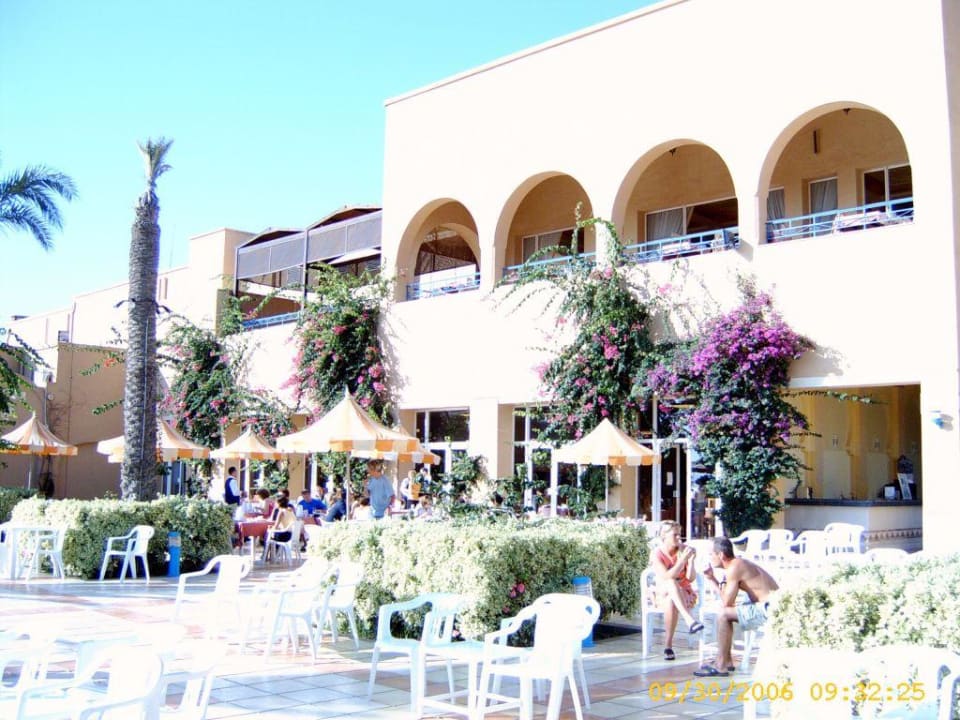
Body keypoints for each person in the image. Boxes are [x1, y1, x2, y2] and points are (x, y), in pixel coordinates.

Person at [694, 536, 780, 678]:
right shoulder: (738, 563)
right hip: (770, 605)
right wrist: (714, 579)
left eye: (710, 554)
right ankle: (726, 661)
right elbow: (729, 601)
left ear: (720, 555)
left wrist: (711, 579)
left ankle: (721, 665)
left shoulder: (734, 567)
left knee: (723, 614)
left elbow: (727, 602)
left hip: (770, 609)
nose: (709, 558)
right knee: (725, 614)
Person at [650, 520, 703, 661]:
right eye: (675, 535)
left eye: (680, 535)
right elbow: (667, 576)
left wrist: (691, 561)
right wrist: (682, 560)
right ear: (664, 536)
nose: (679, 538)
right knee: (671, 583)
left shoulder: (683, 550)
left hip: (683, 593)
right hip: (662, 591)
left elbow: (690, 578)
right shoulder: (656, 554)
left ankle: (668, 646)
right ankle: (689, 620)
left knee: (671, 601)